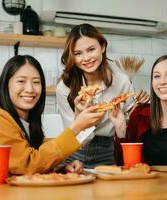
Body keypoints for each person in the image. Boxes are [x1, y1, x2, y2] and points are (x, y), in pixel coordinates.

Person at [0, 55, 105, 178]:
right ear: (6, 86)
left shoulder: (28, 124)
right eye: (21, 81)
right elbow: (28, 165)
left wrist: (61, 168)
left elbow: (39, 160)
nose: (30, 89)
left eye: (36, 82)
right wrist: (77, 126)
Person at [56, 23, 149, 168]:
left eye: (91, 49)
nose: (86, 58)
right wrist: (81, 117)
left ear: (103, 47)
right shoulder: (64, 88)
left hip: (110, 151)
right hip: (76, 151)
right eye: (78, 53)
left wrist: (139, 106)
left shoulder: (122, 82)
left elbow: (131, 128)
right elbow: (72, 133)